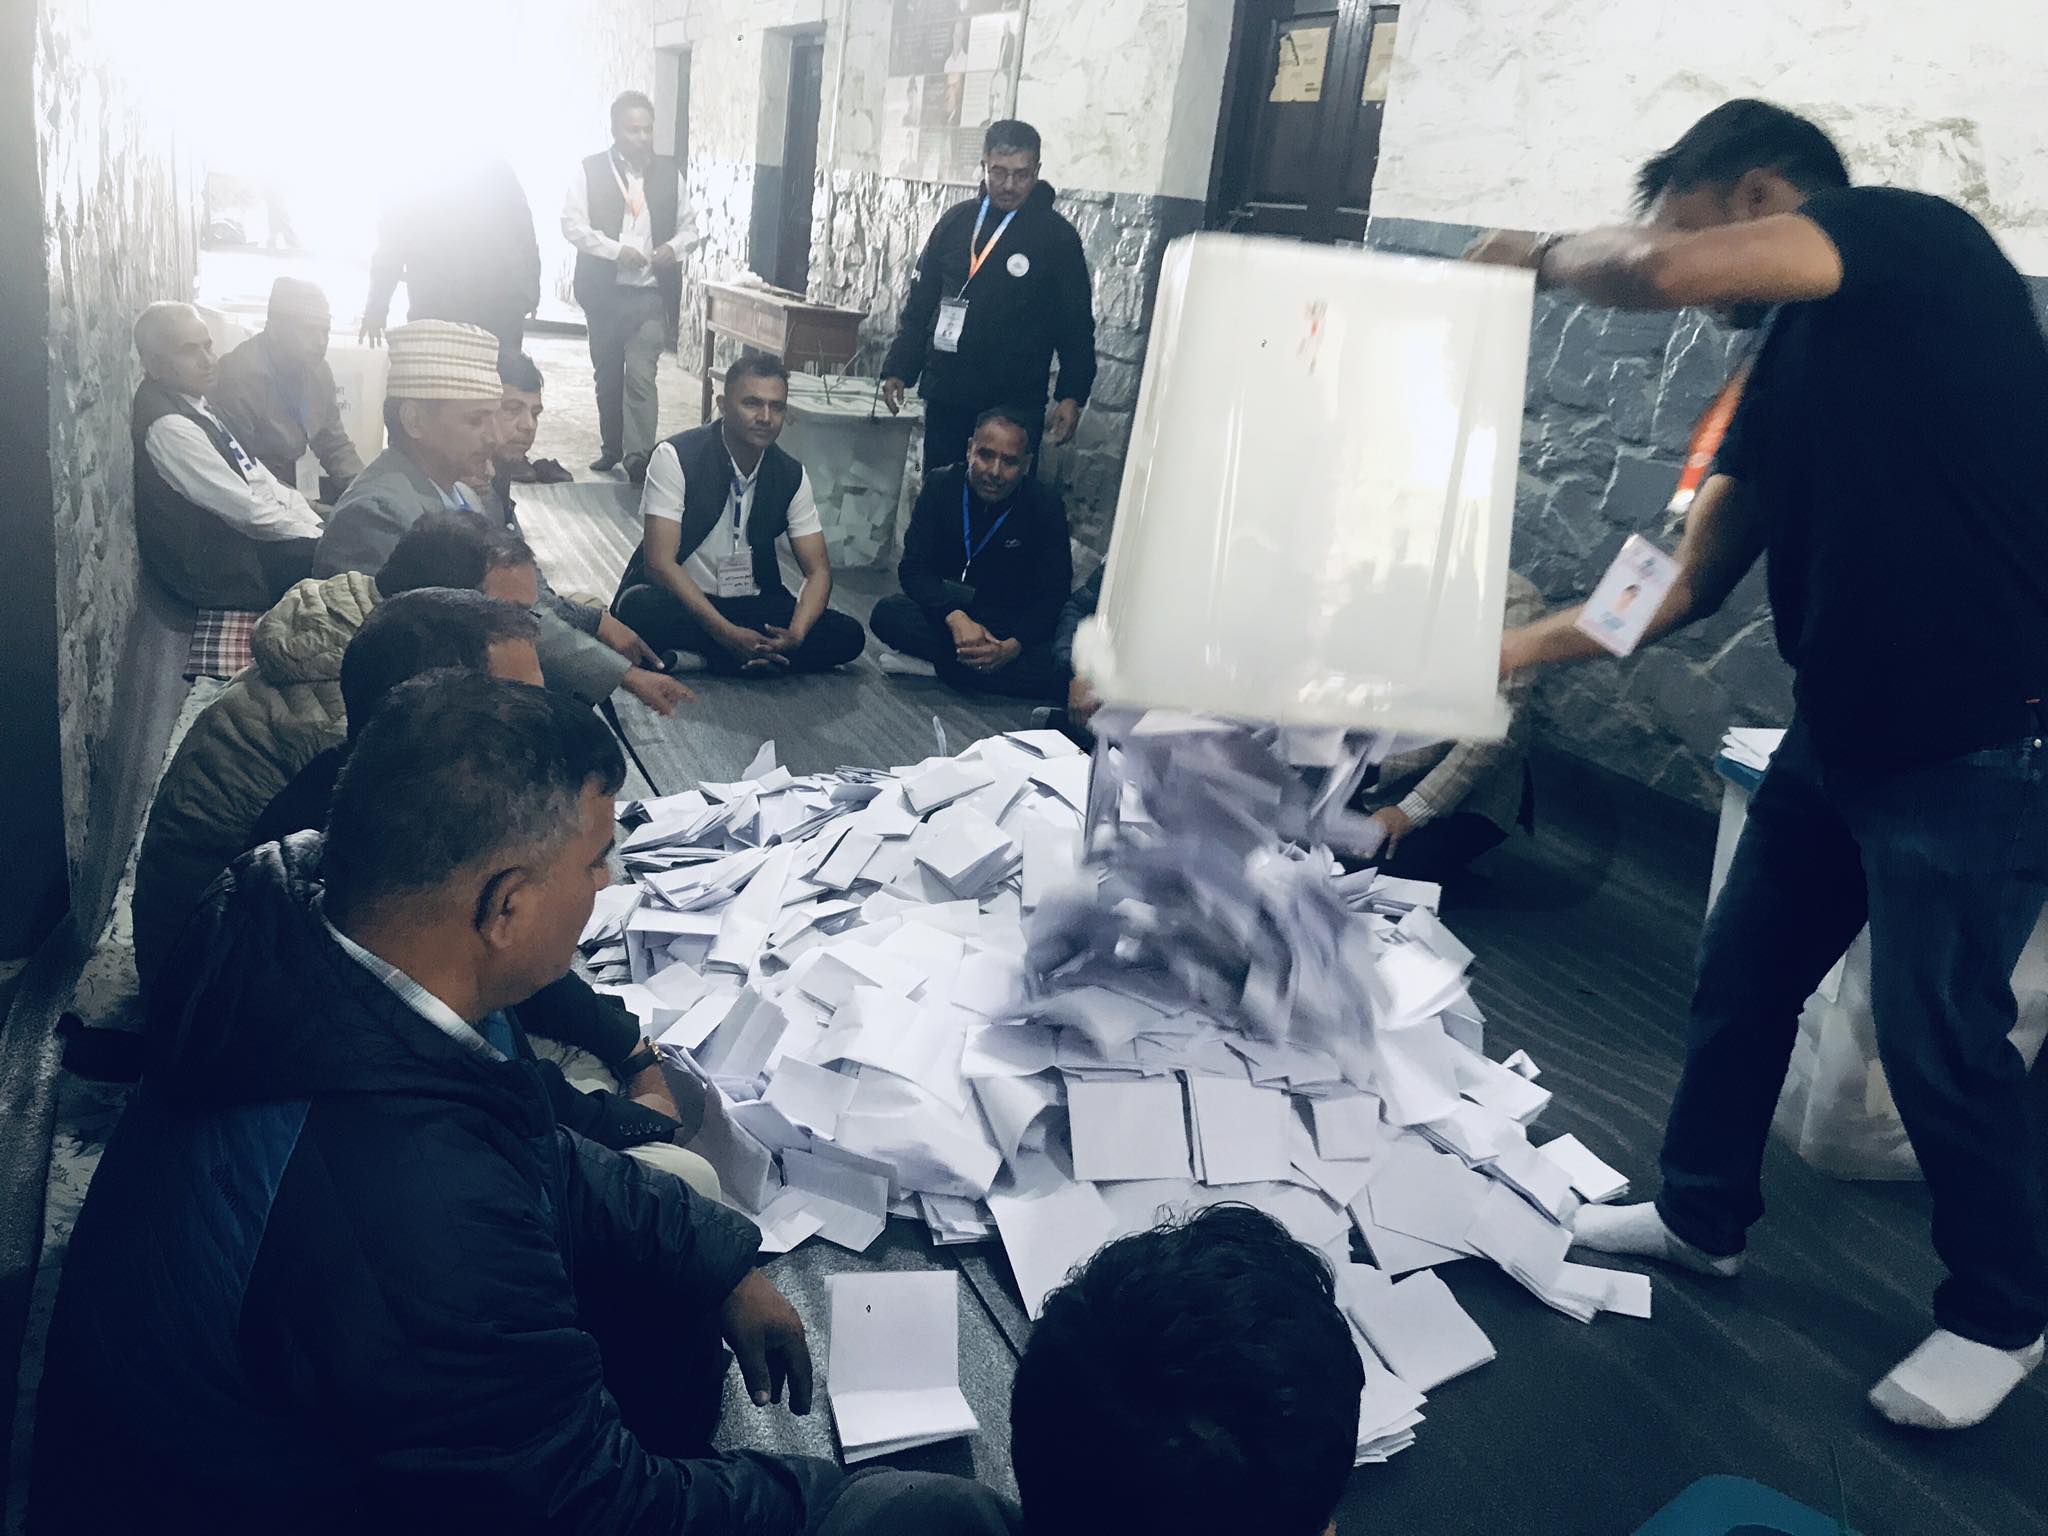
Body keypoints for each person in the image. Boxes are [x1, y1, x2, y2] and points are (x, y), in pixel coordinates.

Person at [1471, 99, 2048, 1429]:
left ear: (1753, 194)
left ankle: (2001, 1316)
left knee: (1939, 1037)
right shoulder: (1784, 365)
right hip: (1836, 739)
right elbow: (1678, 584)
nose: (1677, 258)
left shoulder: (1909, 240)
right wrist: (1501, 650)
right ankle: (1699, 1217)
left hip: (1975, 746)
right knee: (1739, 982)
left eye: (1676, 210)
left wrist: (1535, 254)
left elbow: (1656, 269)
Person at [31, 673, 837, 1533]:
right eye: (595, 861)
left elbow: (525, 1135)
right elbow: (586, 1508)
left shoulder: (300, 913)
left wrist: (715, 1256)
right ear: (507, 906)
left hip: (264, 1385)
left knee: (674, 1215)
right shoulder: (415, 1212)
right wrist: (835, 1502)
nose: (608, 881)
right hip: (259, 1497)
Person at [243, 594, 718, 1201]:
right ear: (445, 715)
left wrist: (629, 1048)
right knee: (686, 1180)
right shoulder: (404, 886)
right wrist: (632, 1116)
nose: (551, 721)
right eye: (523, 706)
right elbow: (494, 1081)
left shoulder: (374, 808)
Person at [132, 513, 541, 989]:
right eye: (512, 612)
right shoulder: (366, 719)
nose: (526, 628)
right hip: (201, 977)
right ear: (448, 606)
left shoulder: (356, 628)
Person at [316, 320, 687, 716]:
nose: (493, 437)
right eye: (476, 421)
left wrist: (595, 630)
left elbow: (522, 598)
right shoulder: (378, 512)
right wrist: (620, 674)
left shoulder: (460, 489)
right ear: (415, 421)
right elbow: (484, 627)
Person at [611, 353, 867, 676]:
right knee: (637, 608)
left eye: (776, 407)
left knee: (848, 635)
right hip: (684, 601)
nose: (765, 417)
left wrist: (796, 635)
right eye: (752, 403)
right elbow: (660, 564)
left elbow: (818, 572)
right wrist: (726, 633)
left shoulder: (791, 474)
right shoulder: (675, 456)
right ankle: (744, 657)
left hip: (749, 602)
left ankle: (708, 658)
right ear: (723, 405)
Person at [880, 120, 1097, 472]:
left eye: (1021, 175)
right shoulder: (956, 223)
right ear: (984, 166)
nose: (1009, 185)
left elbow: (1075, 324)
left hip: (1015, 401)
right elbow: (920, 304)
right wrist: (899, 368)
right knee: (942, 488)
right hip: (949, 392)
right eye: (998, 172)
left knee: (1004, 494)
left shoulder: (1058, 239)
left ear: (1037, 171)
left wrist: (1072, 394)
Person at [130, 301, 324, 609]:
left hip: (246, 545)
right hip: (221, 574)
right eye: (189, 351)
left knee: (356, 536)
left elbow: (256, 475)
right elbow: (247, 512)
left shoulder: (193, 401)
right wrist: (317, 538)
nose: (207, 360)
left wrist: (312, 519)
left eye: (207, 346)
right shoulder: (170, 427)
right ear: (154, 365)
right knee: (355, 563)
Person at [870, 408, 1073, 700]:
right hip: (949, 615)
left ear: (1027, 464)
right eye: (986, 455)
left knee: (1058, 668)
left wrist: (1012, 646)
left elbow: (1055, 594)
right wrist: (955, 618)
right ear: (969, 450)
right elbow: (914, 569)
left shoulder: (1045, 505)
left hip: (1007, 624)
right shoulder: (940, 485)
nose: (995, 472)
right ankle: (977, 672)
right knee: (888, 615)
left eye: (1009, 461)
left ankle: (939, 668)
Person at [564, 90, 698, 481]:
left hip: (650, 296)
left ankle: (638, 457)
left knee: (641, 376)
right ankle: (612, 447)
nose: (641, 138)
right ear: (615, 130)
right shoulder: (590, 171)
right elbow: (572, 225)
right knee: (607, 375)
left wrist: (674, 248)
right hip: (603, 294)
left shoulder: (670, 175)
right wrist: (614, 251)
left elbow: (690, 229)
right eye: (632, 130)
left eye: (647, 130)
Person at [361, 156, 541, 359]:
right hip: (442, 307)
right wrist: (376, 305)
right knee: (442, 372)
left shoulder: (495, 170)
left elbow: (524, 232)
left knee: (494, 375)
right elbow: (391, 246)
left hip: (495, 305)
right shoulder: (415, 176)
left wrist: (529, 292)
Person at [210, 276, 365, 498]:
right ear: (274, 330)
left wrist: (365, 491)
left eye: (325, 331)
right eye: (309, 331)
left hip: (294, 485)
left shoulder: (318, 369)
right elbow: (242, 470)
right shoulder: (239, 376)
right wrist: (314, 511)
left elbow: (333, 442)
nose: (321, 341)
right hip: (255, 493)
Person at [488, 349, 573, 494]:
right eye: (512, 409)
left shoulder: (500, 468)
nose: (529, 425)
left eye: (535, 414)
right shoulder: (455, 490)